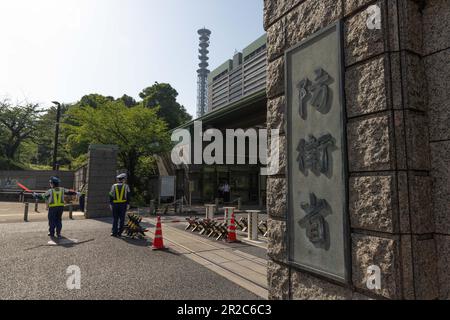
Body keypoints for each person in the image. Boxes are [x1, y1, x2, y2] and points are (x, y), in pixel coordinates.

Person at [109, 173, 131, 237]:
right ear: (123, 179)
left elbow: (110, 195)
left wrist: (110, 203)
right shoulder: (126, 186)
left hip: (115, 205)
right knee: (122, 219)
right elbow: (128, 196)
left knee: (115, 219)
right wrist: (128, 204)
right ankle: (120, 232)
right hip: (123, 205)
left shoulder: (113, 186)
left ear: (118, 179)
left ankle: (114, 232)